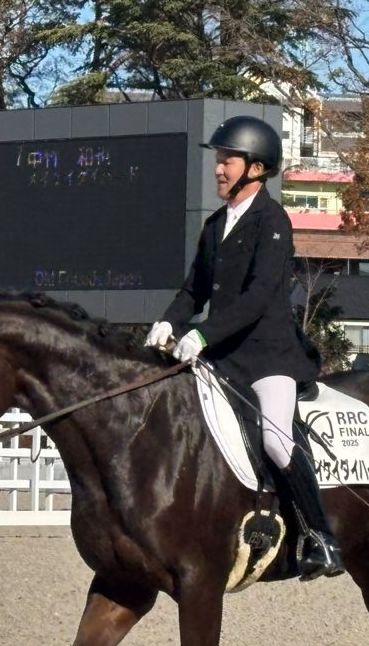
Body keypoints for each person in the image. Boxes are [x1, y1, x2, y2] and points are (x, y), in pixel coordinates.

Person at [144, 115, 343, 581]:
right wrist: (167, 323)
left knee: (275, 439)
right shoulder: (215, 224)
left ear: (255, 168)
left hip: (268, 357)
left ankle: (322, 538)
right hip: (222, 357)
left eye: (227, 161)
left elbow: (258, 297)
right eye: (218, 160)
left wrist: (202, 334)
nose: (218, 169)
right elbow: (193, 289)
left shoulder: (272, 221)